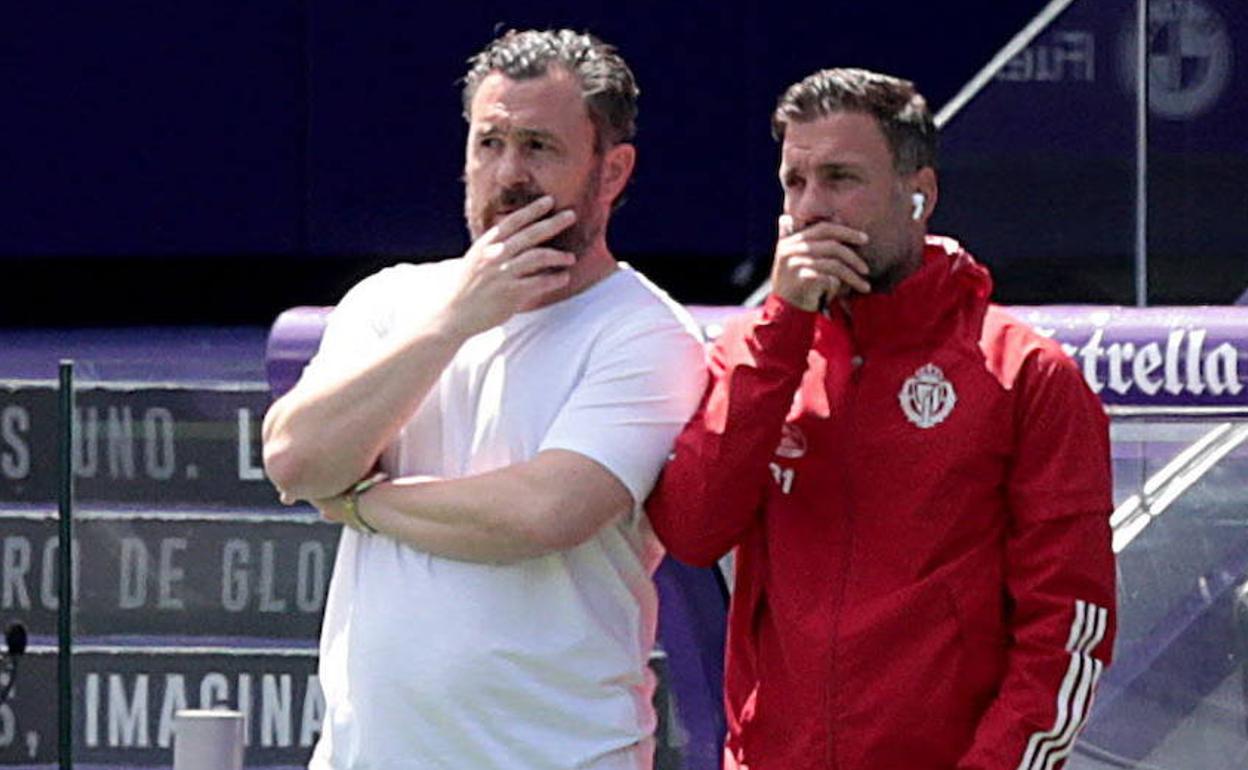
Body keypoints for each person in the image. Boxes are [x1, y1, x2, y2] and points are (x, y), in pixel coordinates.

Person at [646, 68, 1116, 770]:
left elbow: (1068, 627)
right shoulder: (758, 354)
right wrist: (783, 330)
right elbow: (691, 530)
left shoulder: (1024, 373)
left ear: (919, 193)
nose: (810, 209)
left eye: (840, 179)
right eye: (794, 183)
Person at [262, 29, 707, 770]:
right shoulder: (393, 300)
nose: (509, 174)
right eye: (490, 143)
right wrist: (456, 320)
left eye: (540, 147)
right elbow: (293, 460)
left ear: (612, 172)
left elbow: (545, 513)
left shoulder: (647, 334)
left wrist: (365, 504)